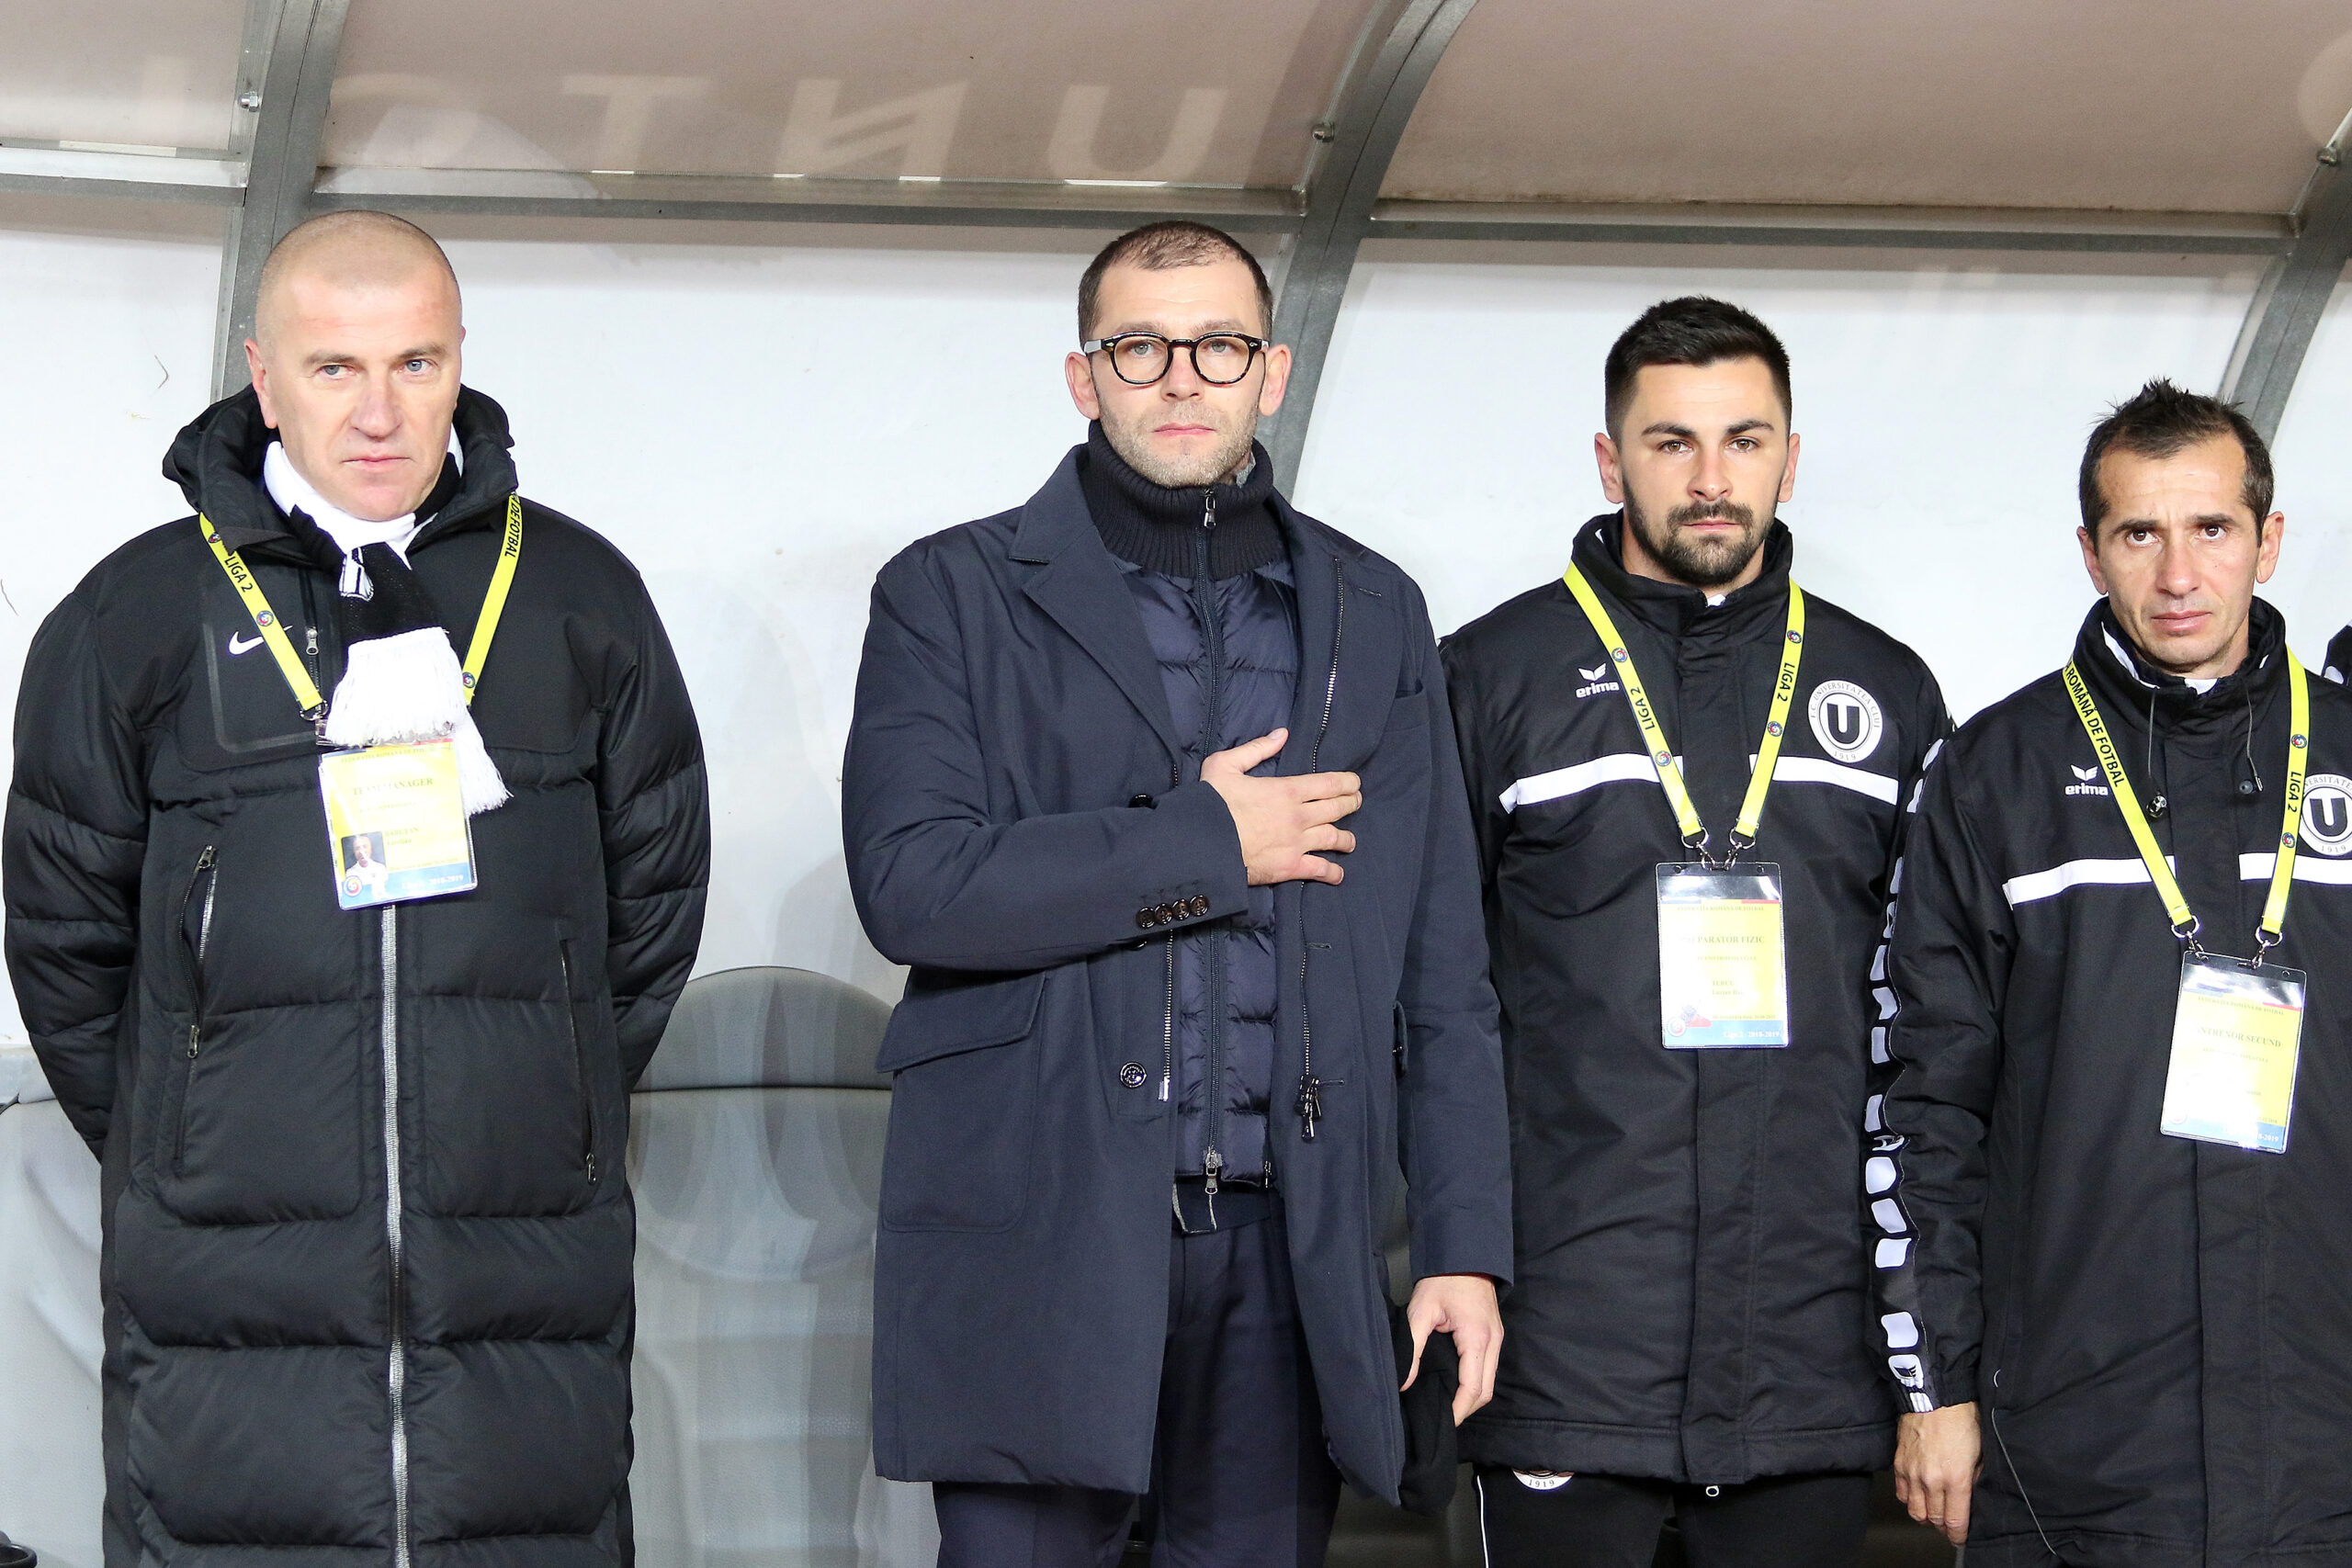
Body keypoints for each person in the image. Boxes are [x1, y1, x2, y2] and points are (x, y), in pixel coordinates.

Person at [4, 210, 709, 1568]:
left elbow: (654, 903)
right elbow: (62, 934)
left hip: (518, 1254)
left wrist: (549, 1104)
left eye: (416, 364)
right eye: (335, 369)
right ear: (262, 376)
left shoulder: (577, 594)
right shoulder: (134, 614)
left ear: (460, 365)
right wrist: (186, 1133)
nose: (380, 412)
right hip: (227, 1263)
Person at [842, 220, 1512, 1567]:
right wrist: (1205, 842)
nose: (1180, 378)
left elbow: (1442, 971)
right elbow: (915, 886)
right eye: (1140, 347)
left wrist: (1464, 1243)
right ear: (1085, 378)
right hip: (1042, 1240)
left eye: (1217, 345)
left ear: (1271, 371)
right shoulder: (949, 593)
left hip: (1287, 1253)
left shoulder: (1376, 612)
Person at [1441, 297, 1949, 1568]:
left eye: (1743, 440)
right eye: (1671, 443)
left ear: (1790, 455)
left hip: (1809, 1356)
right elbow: (1429, 997)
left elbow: (1933, 1037)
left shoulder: (1885, 692)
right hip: (1567, 1344)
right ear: (1610, 461)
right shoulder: (1489, 679)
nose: (1711, 480)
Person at [1876, 379, 2352, 1564]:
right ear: (2090, 553)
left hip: (2327, 1426)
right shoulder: (1997, 772)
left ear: (2271, 540)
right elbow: (1921, 1107)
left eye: (2212, 530)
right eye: (2141, 533)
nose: (2179, 575)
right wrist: (1933, 1385)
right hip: (2074, 1444)